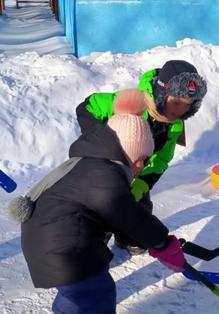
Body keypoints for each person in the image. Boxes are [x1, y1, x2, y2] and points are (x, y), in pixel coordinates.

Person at [11, 90, 186, 314]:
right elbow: (127, 214)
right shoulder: (104, 175)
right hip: (63, 247)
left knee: (79, 284)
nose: (143, 166)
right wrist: (161, 242)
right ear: (127, 151)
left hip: (49, 241)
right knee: (98, 294)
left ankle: (63, 313)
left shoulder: (92, 161)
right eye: (141, 158)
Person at [75, 60, 207, 254]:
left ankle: (128, 238)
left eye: (188, 105)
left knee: (139, 206)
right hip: (105, 170)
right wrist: (100, 143)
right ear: (163, 94)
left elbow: (161, 159)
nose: (180, 111)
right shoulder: (130, 102)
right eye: (176, 102)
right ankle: (94, 248)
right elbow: (87, 106)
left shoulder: (174, 125)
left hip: (138, 172)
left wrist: (142, 184)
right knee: (99, 211)